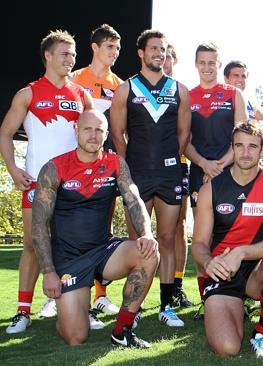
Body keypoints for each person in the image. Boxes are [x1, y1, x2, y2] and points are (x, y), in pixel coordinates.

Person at [30, 110, 159, 348]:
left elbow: (133, 199)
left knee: (149, 252)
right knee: (75, 336)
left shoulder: (115, 162)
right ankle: (69, 311)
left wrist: (147, 234)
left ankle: (122, 331)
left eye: (99, 130)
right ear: (76, 131)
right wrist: (49, 271)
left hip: (104, 251)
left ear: (106, 134)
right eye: (87, 129)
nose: (93, 135)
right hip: (69, 258)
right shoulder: (54, 168)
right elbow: (38, 225)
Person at [1, 30, 94, 334]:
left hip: (75, 186)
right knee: (32, 245)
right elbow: (5, 133)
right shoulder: (27, 93)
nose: (72, 59)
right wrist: (14, 169)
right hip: (36, 185)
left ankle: (83, 308)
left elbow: (95, 135)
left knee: (78, 247)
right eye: (65, 54)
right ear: (48, 56)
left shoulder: (82, 96)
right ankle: (23, 312)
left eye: (74, 54)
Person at [110, 29, 191, 327]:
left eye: (164, 49)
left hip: (169, 173)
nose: (160, 53)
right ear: (141, 53)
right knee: (139, 243)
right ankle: (136, 307)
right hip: (137, 175)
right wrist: (131, 166)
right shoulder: (125, 89)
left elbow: (184, 134)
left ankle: (166, 305)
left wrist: (167, 160)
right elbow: (117, 134)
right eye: (154, 48)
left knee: (168, 239)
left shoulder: (180, 89)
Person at [192, 120, 263, 359]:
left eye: (252, 146)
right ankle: (232, 307)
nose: (245, 153)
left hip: (257, 270)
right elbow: (198, 244)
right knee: (228, 348)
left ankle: (262, 332)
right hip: (222, 272)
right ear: (232, 148)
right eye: (239, 146)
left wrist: (241, 253)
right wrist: (208, 263)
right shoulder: (211, 188)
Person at [184, 42, 247, 307]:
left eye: (212, 62)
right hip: (200, 174)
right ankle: (205, 297)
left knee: (234, 232)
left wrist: (219, 165)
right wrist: (203, 164)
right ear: (196, 64)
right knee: (204, 237)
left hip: (231, 172)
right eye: (202, 62)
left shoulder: (234, 94)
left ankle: (237, 294)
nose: (207, 67)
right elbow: (183, 139)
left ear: (219, 65)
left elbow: (243, 135)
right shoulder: (186, 96)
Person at [70, 23, 123, 318]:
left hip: (106, 167)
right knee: (69, 229)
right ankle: (62, 291)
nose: (114, 53)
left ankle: (101, 295)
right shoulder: (74, 79)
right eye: (109, 47)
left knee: (104, 227)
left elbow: (120, 129)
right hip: (74, 168)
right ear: (94, 48)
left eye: (117, 48)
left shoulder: (120, 84)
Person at [160, 43, 193, 308]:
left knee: (178, 227)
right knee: (142, 229)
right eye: (161, 55)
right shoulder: (136, 88)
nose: (164, 60)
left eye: (169, 56)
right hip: (145, 169)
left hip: (178, 165)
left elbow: (187, 133)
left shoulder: (180, 91)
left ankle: (177, 286)